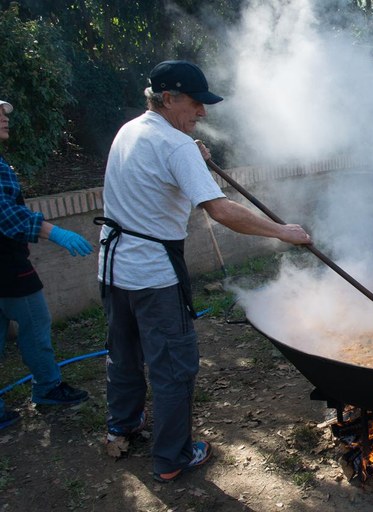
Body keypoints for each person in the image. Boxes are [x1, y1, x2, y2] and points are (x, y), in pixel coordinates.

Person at [97, 61, 312, 483]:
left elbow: (157, 169)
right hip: (154, 276)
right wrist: (281, 231)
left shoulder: (131, 130)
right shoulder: (176, 146)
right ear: (169, 98)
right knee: (174, 367)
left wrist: (190, 152)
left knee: (123, 354)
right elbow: (221, 210)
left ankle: (122, 426)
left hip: (112, 269)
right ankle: (172, 458)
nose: (203, 112)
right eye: (196, 103)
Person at [0, 99, 92, 430]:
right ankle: (48, 387)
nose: (5, 118)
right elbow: (6, 213)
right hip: (8, 268)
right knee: (36, 323)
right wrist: (55, 232)